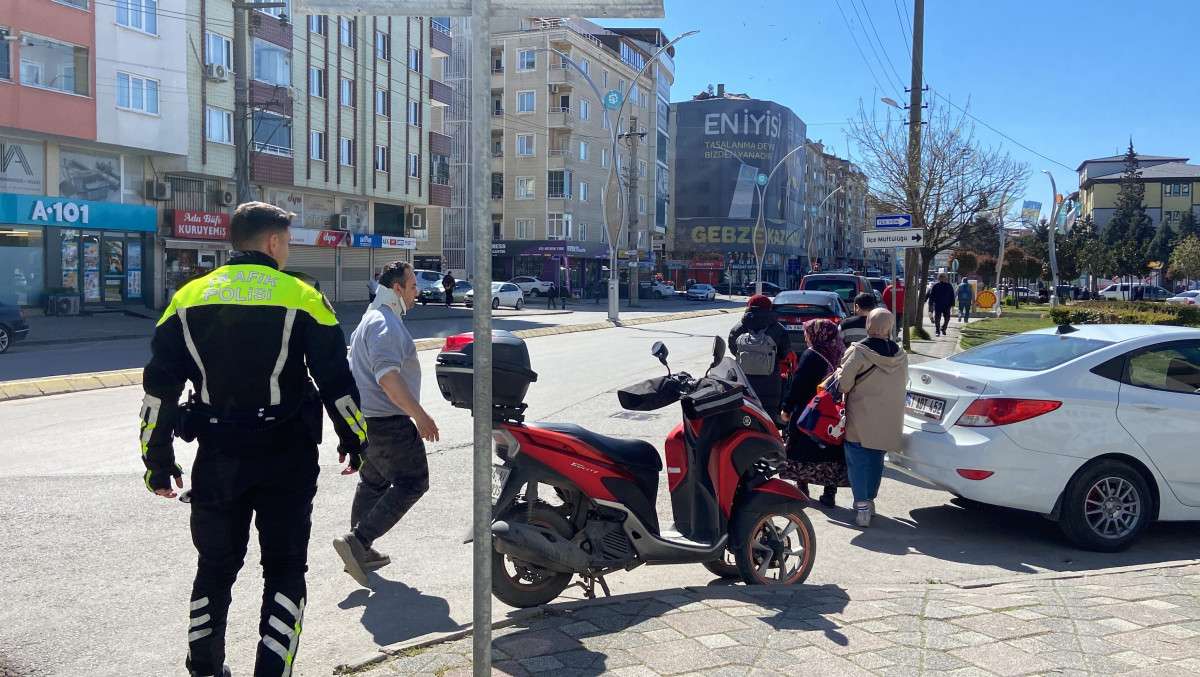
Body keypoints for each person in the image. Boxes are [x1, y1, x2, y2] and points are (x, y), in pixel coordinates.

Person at [140, 202, 367, 677]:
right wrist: (354, 438)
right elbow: (336, 379)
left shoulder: (187, 297)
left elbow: (159, 390)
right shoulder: (302, 295)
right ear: (273, 241)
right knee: (285, 567)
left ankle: (204, 668)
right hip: (287, 456)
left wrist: (157, 461)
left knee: (214, 567)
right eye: (287, 243)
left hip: (217, 455)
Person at [335, 261, 441, 587]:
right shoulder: (385, 324)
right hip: (388, 423)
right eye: (413, 286)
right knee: (413, 482)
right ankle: (358, 541)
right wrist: (419, 415)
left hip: (366, 422)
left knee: (374, 482)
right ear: (397, 289)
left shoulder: (369, 319)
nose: (416, 292)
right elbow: (388, 378)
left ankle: (359, 550)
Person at [836, 309, 908, 528]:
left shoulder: (858, 352)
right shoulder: (900, 355)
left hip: (860, 416)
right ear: (890, 327)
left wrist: (839, 374)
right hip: (888, 417)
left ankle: (862, 506)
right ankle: (869, 500)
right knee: (876, 459)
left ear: (868, 324)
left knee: (857, 460)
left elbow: (843, 385)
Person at [780, 319, 848, 507]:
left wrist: (787, 407)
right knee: (831, 451)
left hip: (810, 412)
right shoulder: (841, 354)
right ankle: (829, 493)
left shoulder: (811, 355)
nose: (805, 337)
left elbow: (799, 385)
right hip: (834, 414)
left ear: (817, 335)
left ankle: (802, 488)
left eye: (807, 333)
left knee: (801, 450)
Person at [728, 294, 792, 423]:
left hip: (744, 382)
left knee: (745, 417)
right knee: (768, 420)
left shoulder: (739, 328)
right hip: (771, 383)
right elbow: (784, 353)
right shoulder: (778, 329)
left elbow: (733, 348)